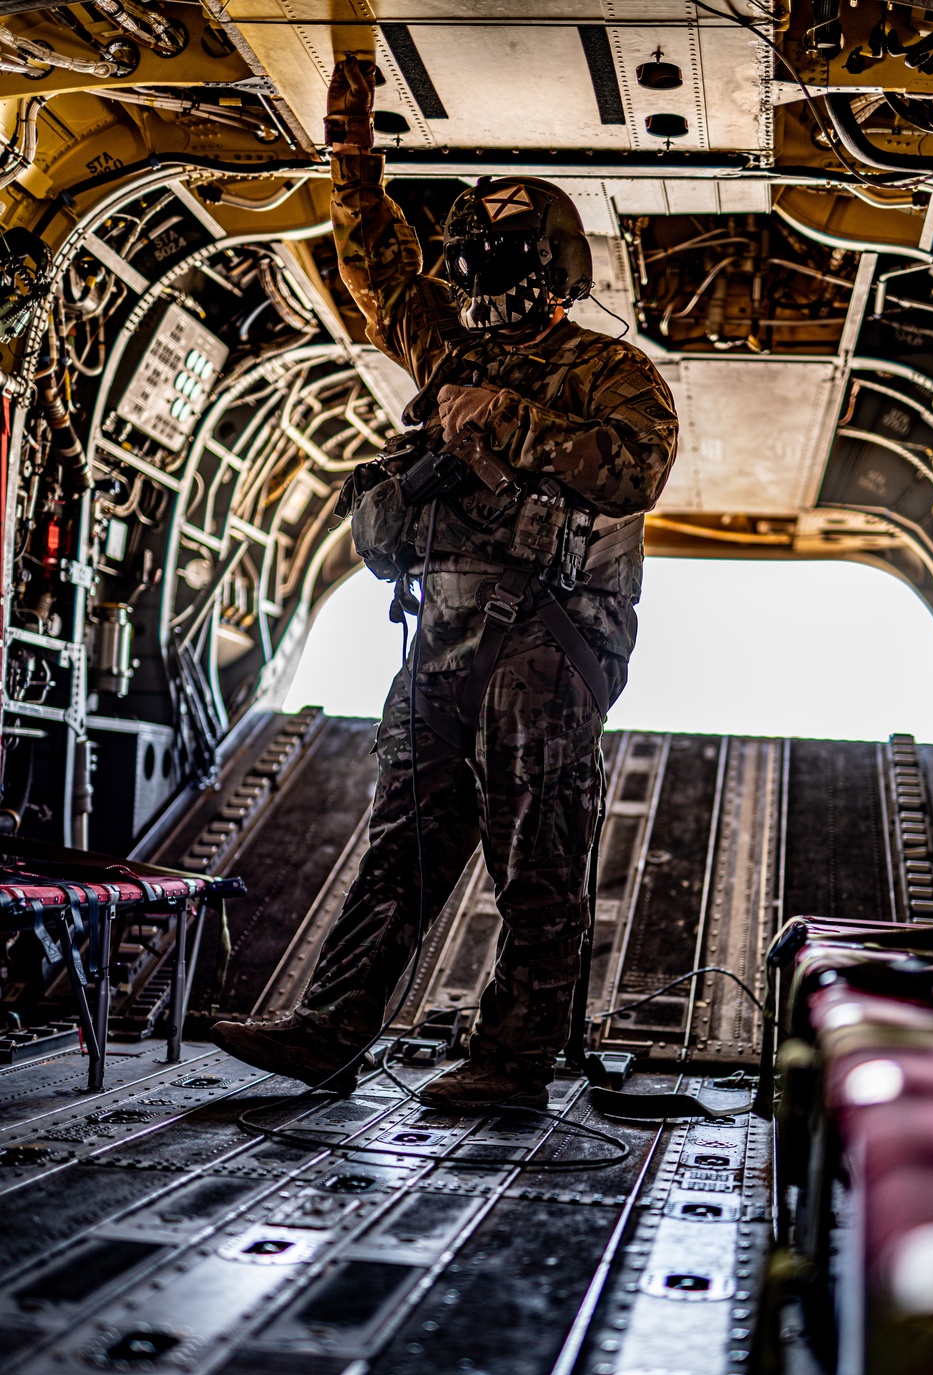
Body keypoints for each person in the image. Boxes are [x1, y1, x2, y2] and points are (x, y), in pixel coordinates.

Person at [212, 55, 678, 1111]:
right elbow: (377, 260)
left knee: (536, 853)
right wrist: (349, 138)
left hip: (546, 642)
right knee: (399, 843)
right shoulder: (440, 343)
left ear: (550, 265)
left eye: (501, 254)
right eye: (471, 254)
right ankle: (332, 1029)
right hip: (447, 636)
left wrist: (507, 422)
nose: (476, 274)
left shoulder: (613, 376)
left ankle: (512, 1062)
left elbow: (634, 469)